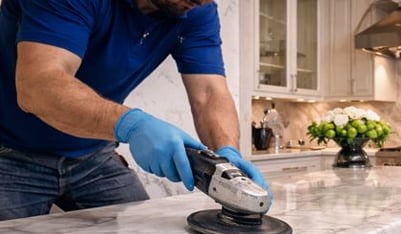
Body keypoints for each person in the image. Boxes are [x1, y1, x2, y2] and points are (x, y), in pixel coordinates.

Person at [0, 0, 269, 221]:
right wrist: (132, 124)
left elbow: (209, 93)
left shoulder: (198, 10)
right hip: (9, 150)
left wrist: (227, 153)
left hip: (93, 155)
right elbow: (38, 86)